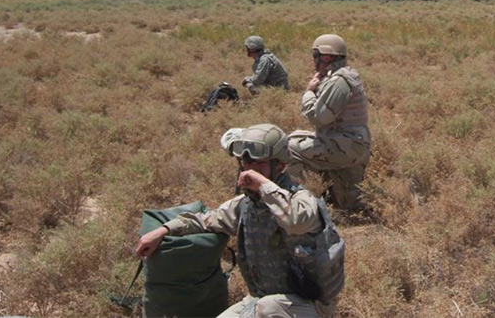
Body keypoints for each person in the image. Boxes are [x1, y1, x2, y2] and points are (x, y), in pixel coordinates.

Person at [135, 124, 343, 318]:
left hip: (308, 306)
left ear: (279, 165)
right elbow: (206, 221)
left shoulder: (302, 200)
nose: (248, 169)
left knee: (267, 308)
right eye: (245, 162)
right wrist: (163, 230)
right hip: (261, 300)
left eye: (257, 163)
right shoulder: (245, 205)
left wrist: (262, 184)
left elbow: (294, 221)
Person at [287, 34, 371, 211]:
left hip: (344, 146)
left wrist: (309, 93)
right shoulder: (345, 76)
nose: (315, 60)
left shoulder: (338, 81)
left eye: (317, 56)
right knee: (346, 205)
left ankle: (300, 205)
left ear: (326, 57)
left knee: (288, 148)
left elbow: (318, 117)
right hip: (351, 146)